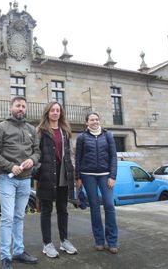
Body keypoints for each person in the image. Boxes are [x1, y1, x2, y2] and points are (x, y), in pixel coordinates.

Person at [0, 96, 41, 269]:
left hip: (25, 180)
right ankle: (5, 256)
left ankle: (18, 251)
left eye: (23, 106)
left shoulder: (32, 129)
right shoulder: (0, 127)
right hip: (6, 179)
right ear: (11, 107)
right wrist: (10, 166)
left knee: (19, 216)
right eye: (18, 106)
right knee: (7, 218)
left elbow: (37, 152)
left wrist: (32, 160)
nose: (21, 109)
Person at [35, 101, 78, 258]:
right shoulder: (41, 131)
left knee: (63, 209)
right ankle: (47, 244)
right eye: (52, 110)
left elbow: (69, 154)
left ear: (61, 113)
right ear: (47, 113)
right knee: (46, 210)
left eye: (57, 110)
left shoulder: (65, 131)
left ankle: (64, 240)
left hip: (63, 174)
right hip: (47, 175)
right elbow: (36, 152)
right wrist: (38, 171)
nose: (55, 113)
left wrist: (72, 172)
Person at [75, 112, 119, 254]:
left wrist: (113, 176)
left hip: (105, 176)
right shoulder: (82, 137)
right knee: (94, 207)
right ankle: (99, 241)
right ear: (86, 122)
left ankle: (112, 241)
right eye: (92, 120)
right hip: (88, 176)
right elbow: (78, 158)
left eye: (96, 119)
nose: (95, 121)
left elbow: (113, 157)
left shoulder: (108, 136)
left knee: (109, 206)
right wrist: (78, 177)